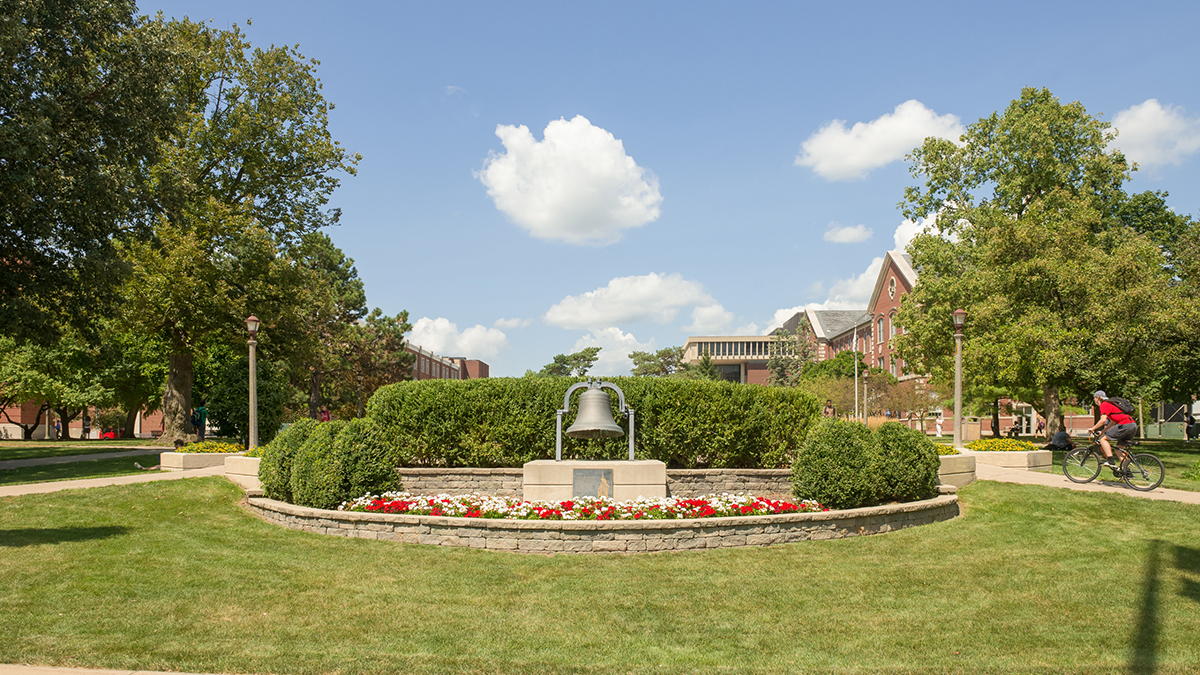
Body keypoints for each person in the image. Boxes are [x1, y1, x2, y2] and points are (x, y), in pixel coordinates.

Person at [1087, 390, 1138, 472]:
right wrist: (1102, 431)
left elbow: (1103, 420)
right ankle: (1127, 472)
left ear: (1097, 398)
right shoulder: (1110, 404)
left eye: (1094, 398)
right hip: (1132, 425)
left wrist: (1092, 429)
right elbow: (1112, 422)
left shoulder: (1104, 404)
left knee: (1102, 439)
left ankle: (1110, 461)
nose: (1094, 400)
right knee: (1119, 449)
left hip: (1124, 424)